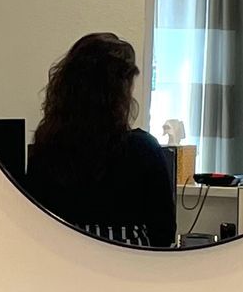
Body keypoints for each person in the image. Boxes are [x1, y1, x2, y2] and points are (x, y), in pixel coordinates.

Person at [23, 32, 176, 249]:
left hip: (62, 267)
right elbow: (164, 232)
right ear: (120, 93)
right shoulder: (143, 150)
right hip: (131, 273)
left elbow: (35, 224)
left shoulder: (46, 149)